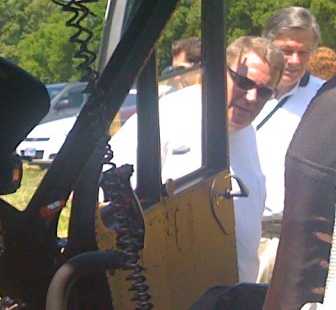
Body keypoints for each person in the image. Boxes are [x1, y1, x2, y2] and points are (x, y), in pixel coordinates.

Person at [111, 36, 284, 282]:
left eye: (265, 92)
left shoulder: (248, 133)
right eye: (244, 82)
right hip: (167, 291)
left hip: (230, 297)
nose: (252, 98)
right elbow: (109, 196)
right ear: (218, 72)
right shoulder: (167, 115)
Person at [255, 6, 324, 220]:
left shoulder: (325, 99)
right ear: (266, 45)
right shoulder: (239, 91)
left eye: (303, 52)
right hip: (235, 229)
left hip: (292, 234)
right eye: (286, 51)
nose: (294, 61)